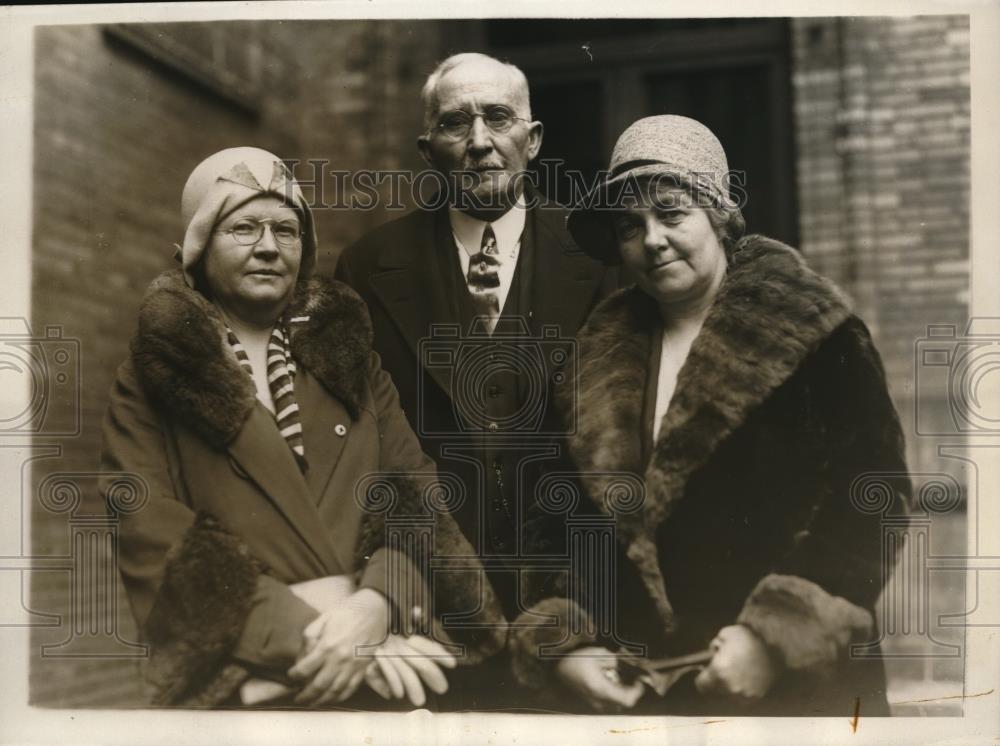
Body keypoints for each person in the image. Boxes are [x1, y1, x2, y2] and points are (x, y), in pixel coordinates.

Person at [509, 116, 910, 716]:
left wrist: (775, 636)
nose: (652, 240)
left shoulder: (817, 330)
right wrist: (567, 645)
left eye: (672, 214)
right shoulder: (592, 353)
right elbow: (545, 515)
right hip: (637, 691)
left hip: (791, 690)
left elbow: (874, 496)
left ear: (718, 216)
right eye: (629, 225)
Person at [100, 147, 506, 709]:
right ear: (197, 248)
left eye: (286, 230)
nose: (268, 245)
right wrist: (320, 638)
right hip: (256, 679)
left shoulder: (355, 364)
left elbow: (417, 498)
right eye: (243, 227)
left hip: (385, 663)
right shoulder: (149, 380)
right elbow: (153, 538)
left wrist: (375, 607)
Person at [335, 53, 616, 709]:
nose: (480, 141)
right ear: (428, 147)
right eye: (456, 122)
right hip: (429, 622)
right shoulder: (369, 267)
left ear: (533, 138)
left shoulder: (602, 261)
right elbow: (352, 459)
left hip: (576, 619)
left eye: (498, 117)